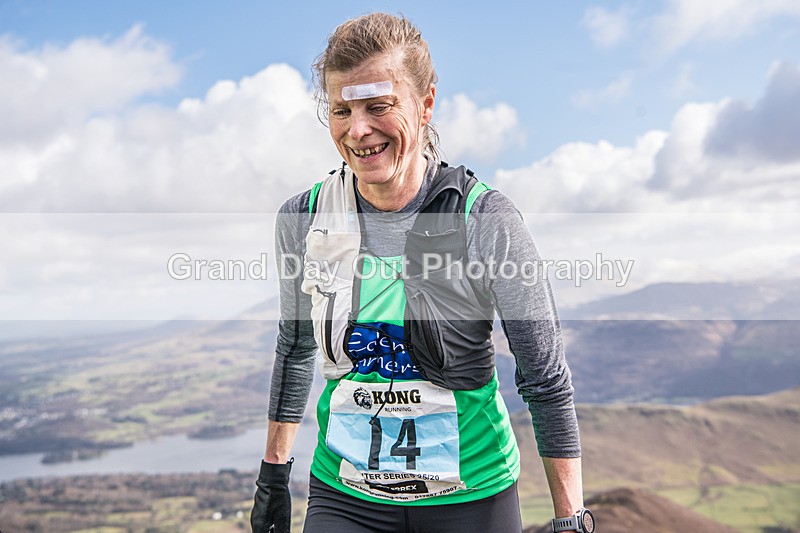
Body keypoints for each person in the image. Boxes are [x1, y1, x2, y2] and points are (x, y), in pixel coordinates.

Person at [251, 12, 587, 533]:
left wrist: (570, 519)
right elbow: (295, 348)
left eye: (378, 106)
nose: (357, 129)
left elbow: (544, 377)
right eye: (341, 110)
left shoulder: (486, 219)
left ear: (426, 104)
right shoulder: (304, 217)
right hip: (345, 495)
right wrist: (273, 475)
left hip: (471, 496)